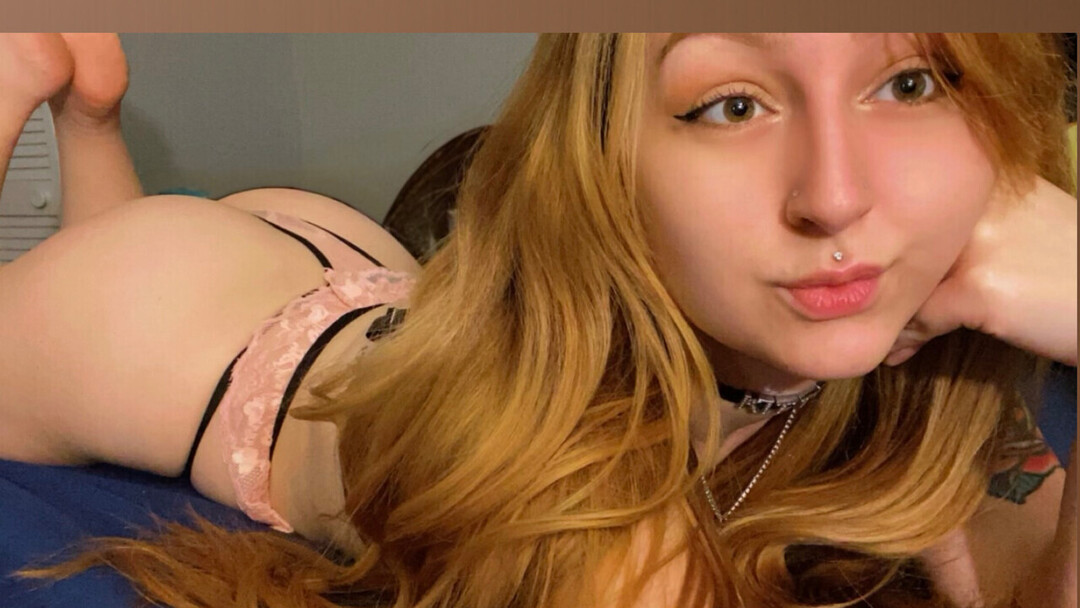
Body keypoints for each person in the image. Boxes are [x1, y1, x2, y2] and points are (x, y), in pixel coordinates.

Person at [0, 32, 1076, 608]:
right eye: (731, 104)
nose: (836, 197)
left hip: (372, 281)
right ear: (605, 164)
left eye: (910, 83)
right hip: (163, 319)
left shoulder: (927, 368)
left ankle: (89, 115)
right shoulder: (582, 489)